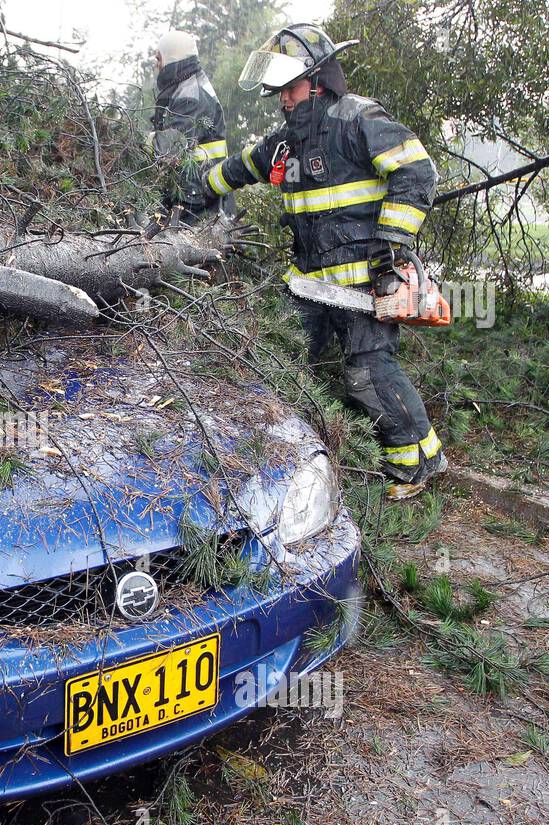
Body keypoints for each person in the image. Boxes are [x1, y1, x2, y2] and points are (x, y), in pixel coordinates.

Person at [205, 23, 446, 500]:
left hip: (364, 286)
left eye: (290, 90)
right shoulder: (285, 145)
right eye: (279, 93)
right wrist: (196, 189)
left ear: (317, 81)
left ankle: (419, 462)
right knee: (283, 364)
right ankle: (288, 466)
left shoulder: (358, 120)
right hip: (309, 287)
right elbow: (237, 169)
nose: (284, 101)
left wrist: (389, 251)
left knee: (368, 373)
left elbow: (417, 172)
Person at [151, 30, 232, 223]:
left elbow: (168, 151)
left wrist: (141, 143)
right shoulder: (186, 86)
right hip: (197, 195)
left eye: (159, 58)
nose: (156, 65)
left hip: (196, 201)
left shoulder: (190, 95)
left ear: (171, 57)